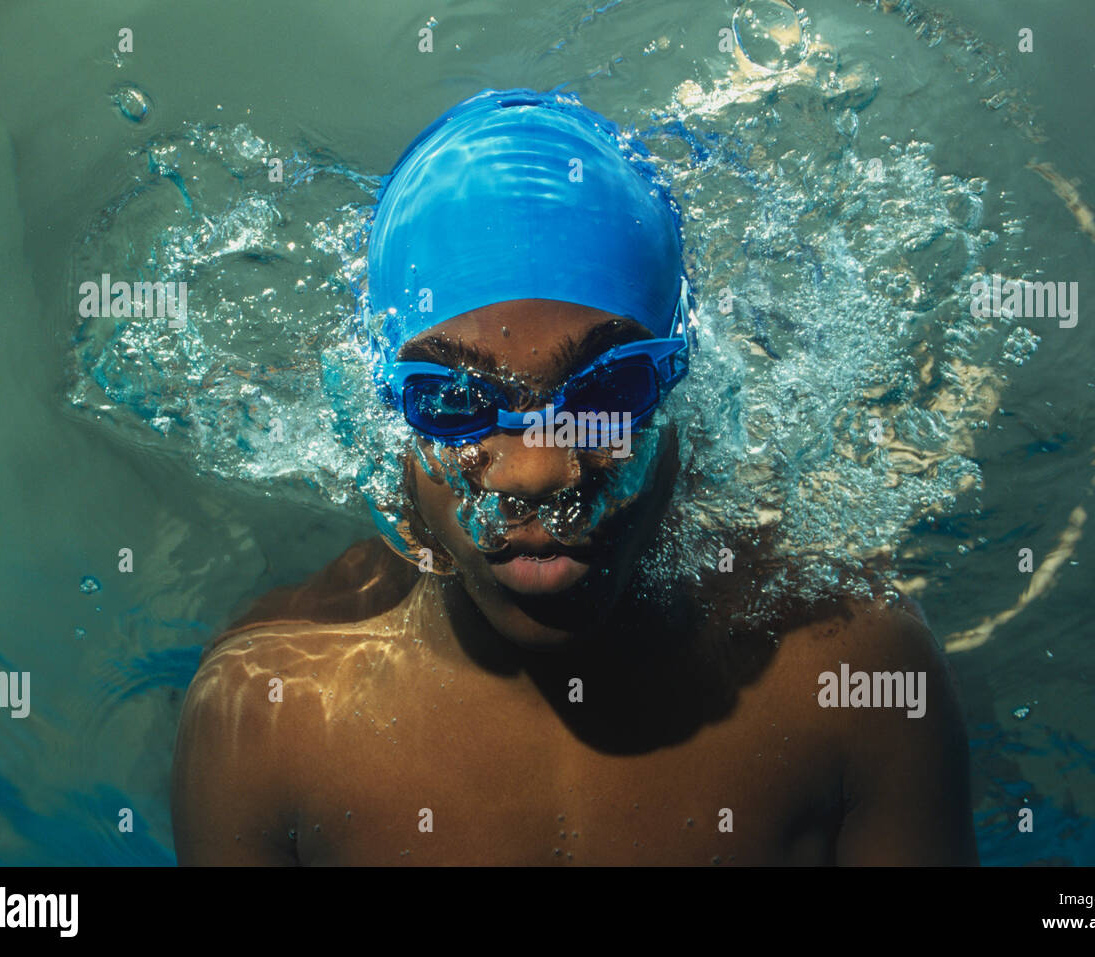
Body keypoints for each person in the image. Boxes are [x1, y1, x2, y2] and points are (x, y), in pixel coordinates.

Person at [170, 88, 978, 865]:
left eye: (609, 390)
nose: (540, 466)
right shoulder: (265, 723)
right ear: (383, 412)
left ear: (681, 384)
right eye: (451, 399)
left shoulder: (852, 679)